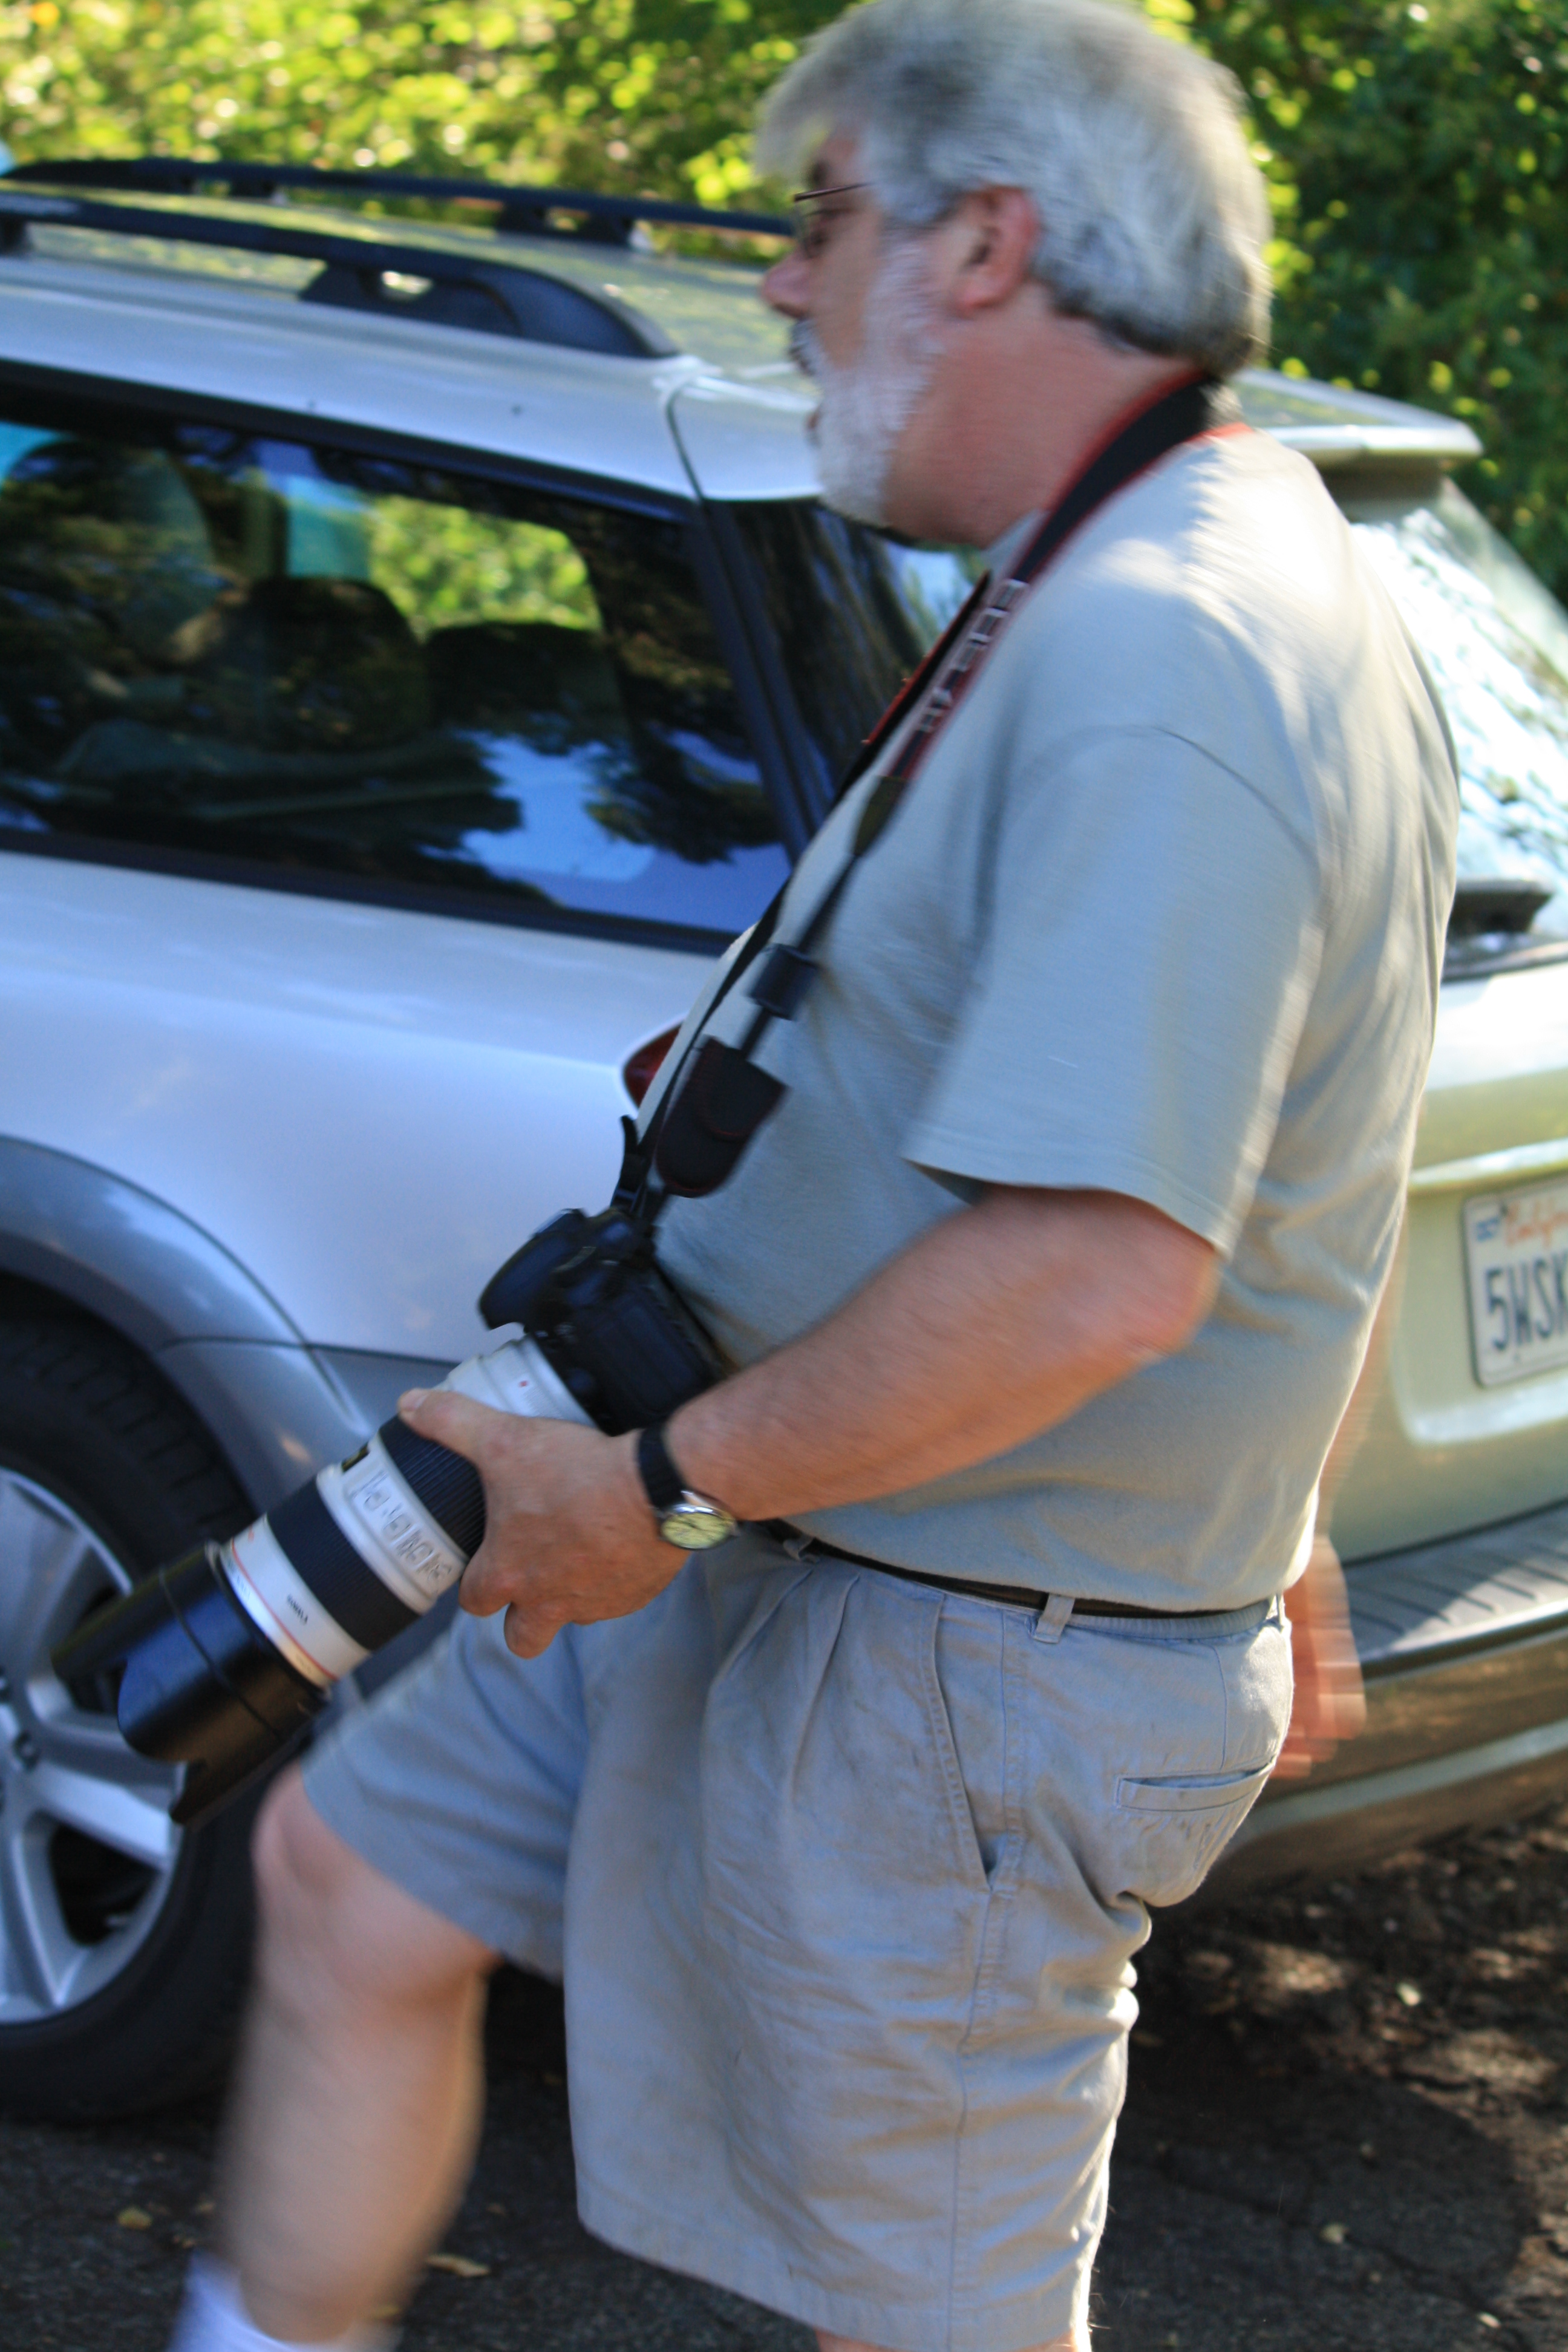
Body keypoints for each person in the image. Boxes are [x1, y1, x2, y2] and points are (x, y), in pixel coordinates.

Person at [169, 4, 1458, 2349]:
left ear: (988, 243)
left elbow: (1098, 1268)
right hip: (785, 1534)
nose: (781, 278)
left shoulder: (1174, 642)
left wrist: (647, 1496)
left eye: (823, 215)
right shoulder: (1135, 562)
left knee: (924, 2317)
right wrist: (1279, 1518)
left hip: (938, 1644)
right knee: (355, 1880)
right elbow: (1293, 1130)